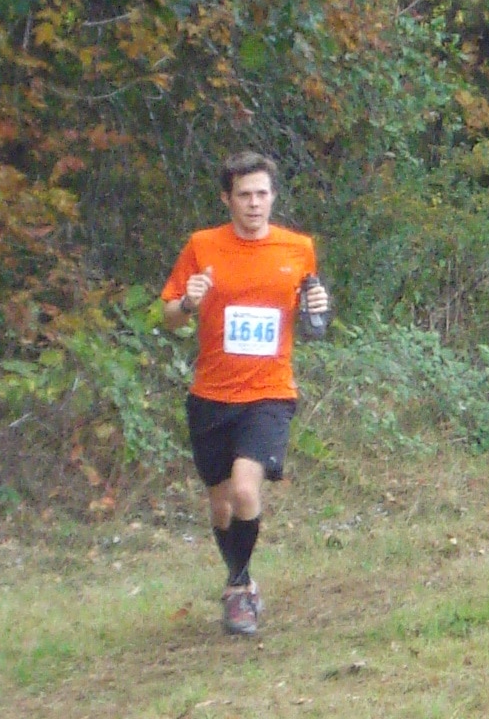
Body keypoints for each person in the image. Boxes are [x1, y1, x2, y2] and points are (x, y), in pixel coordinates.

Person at [160, 150, 329, 635]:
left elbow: (312, 312)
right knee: (219, 504)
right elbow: (170, 315)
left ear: (273, 197)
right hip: (210, 393)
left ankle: (237, 590)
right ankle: (242, 583)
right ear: (227, 199)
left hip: (269, 391)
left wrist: (320, 304)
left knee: (244, 489)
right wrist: (189, 302)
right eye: (244, 195)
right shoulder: (202, 246)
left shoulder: (298, 248)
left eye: (262, 194)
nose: (254, 204)